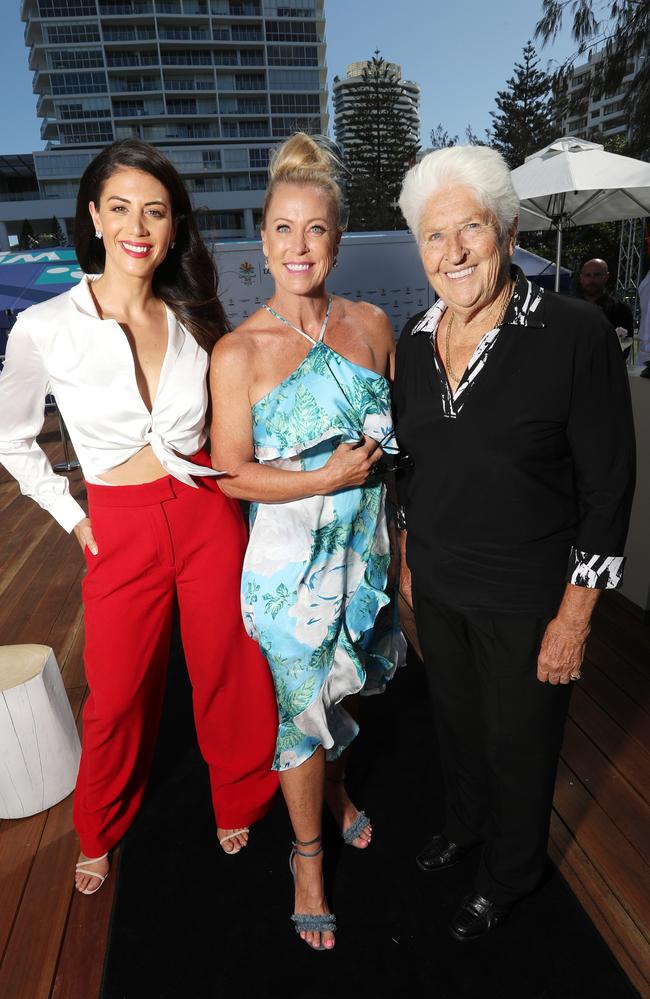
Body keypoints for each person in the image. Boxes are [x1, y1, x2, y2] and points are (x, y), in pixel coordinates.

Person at [0, 140, 279, 895]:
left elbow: (234, 415)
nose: (138, 224)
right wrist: (72, 514)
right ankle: (100, 822)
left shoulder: (193, 312)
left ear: (174, 226)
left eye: (155, 210)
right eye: (120, 207)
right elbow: (11, 438)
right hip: (118, 524)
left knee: (230, 663)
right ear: (92, 215)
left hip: (205, 511)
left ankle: (241, 791)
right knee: (117, 690)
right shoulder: (45, 326)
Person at [393, 146, 636, 942]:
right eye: (435, 235)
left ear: (506, 229)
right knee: (457, 725)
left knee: (521, 744)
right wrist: (406, 566)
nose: (454, 251)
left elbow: (609, 489)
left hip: (532, 597)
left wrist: (576, 616)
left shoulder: (573, 332)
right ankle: (466, 824)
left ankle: (510, 870)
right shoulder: (413, 340)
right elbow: (410, 469)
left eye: (471, 228)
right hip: (441, 581)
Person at [210, 133, 397, 950]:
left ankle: (335, 794)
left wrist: (403, 550)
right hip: (287, 575)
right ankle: (309, 858)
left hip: (363, 561)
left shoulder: (374, 327)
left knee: (342, 697)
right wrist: (324, 480)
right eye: (283, 229)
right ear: (262, 241)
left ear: (338, 239)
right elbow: (231, 474)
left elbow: (393, 460)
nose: (299, 246)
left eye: (315, 229)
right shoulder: (239, 351)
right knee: (298, 715)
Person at [577, 257, 634, 337]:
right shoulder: (571, 308)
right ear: (581, 278)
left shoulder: (620, 310)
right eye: (587, 275)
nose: (591, 280)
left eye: (597, 275)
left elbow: (624, 345)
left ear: (606, 277)